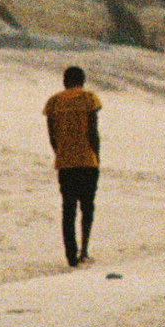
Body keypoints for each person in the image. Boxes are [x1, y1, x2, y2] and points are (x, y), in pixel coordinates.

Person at [44, 64, 103, 268]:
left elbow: (52, 135)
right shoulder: (89, 99)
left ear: (64, 81)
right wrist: (96, 155)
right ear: (82, 81)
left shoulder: (54, 102)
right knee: (87, 207)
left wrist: (60, 153)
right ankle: (84, 250)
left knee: (68, 208)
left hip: (65, 163)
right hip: (87, 160)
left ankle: (71, 254)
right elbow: (93, 131)